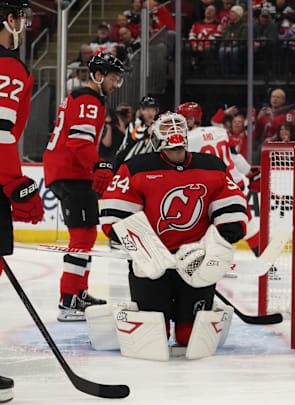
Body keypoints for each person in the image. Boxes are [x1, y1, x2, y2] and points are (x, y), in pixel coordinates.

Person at [98, 112, 248, 351]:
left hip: (194, 262)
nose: (173, 133)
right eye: (167, 128)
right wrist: (145, 250)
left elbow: (232, 214)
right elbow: (115, 218)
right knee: (154, 334)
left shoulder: (211, 166)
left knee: (190, 336)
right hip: (153, 263)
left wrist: (214, 247)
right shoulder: (136, 168)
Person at [42, 52, 125, 321]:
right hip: (72, 173)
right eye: (113, 78)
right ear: (98, 75)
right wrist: (97, 165)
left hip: (67, 171)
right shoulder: (89, 99)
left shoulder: (84, 98)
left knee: (87, 234)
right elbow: (79, 142)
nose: (115, 84)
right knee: (81, 236)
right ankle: (68, 302)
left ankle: (77, 293)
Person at [0, 0, 42, 401]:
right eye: (19, 18)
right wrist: (14, 182)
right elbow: (4, 135)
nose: (24, 25)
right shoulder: (13, 69)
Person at [177, 102, 262, 255]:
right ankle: (268, 264)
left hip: (211, 189)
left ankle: (218, 263)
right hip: (234, 185)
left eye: (181, 120)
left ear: (190, 120)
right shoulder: (220, 132)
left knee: (208, 228)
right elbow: (234, 157)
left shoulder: (187, 139)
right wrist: (249, 171)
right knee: (245, 225)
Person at [113, 96, 159, 166]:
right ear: (141, 111)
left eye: (153, 110)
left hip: (143, 165)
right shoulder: (134, 124)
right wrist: (153, 128)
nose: (150, 114)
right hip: (125, 164)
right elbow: (137, 134)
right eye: (147, 110)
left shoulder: (155, 126)